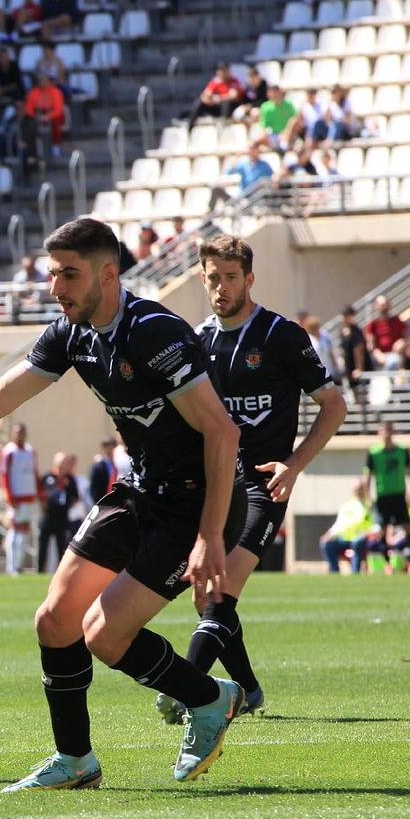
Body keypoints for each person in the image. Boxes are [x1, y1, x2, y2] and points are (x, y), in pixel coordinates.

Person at [0, 217, 247, 791]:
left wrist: (211, 537)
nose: (56, 288)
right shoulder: (72, 333)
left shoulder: (154, 332)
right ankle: (76, 761)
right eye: (52, 274)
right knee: (54, 619)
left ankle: (208, 698)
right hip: (141, 490)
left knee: (105, 635)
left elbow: (222, 433)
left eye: (69, 274)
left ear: (109, 273)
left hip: (196, 505)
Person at [156, 236, 347, 726]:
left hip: (264, 486)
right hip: (215, 488)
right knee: (206, 598)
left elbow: (334, 405)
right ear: (202, 279)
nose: (221, 288)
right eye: (213, 278)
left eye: (231, 277)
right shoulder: (196, 341)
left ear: (250, 279)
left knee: (219, 594)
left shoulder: (281, 335)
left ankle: (186, 688)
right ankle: (248, 687)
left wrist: (295, 463)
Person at [360, 420, 410, 533]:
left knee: (406, 526)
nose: (387, 434)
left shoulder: (402, 451)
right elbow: (367, 476)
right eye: (384, 430)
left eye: (389, 430)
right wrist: (367, 497)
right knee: (381, 528)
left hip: (399, 494)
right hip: (383, 495)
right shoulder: (374, 452)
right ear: (379, 432)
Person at [0, 422, 39, 574]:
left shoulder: (30, 451)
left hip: (29, 496)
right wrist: (9, 496)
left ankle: (19, 565)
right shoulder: (9, 452)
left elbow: (34, 473)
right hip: (16, 498)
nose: (20, 435)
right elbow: (4, 475)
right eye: (17, 432)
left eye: (22, 432)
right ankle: (12, 566)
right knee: (15, 530)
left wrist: (39, 494)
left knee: (26, 532)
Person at [37, 451, 80, 572]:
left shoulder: (70, 479)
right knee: (43, 545)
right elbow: (40, 493)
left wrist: (67, 503)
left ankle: (61, 571)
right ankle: (40, 570)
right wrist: (43, 503)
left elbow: (75, 497)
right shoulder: (48, 476)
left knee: (61, 546)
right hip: (48, 516)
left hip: (62, 517)